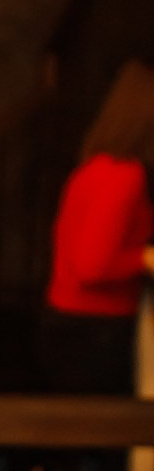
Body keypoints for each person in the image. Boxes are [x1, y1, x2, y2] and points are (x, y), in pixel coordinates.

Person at [38, 61, 154, 399]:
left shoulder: (95, 166)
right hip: (94, 330)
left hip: (69, 322)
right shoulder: (124, 176)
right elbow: (92, 266)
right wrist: (145, 258)